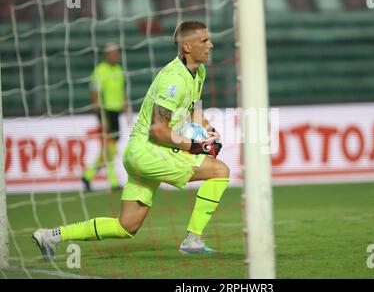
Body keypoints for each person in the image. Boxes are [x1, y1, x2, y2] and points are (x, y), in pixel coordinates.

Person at [32, 20, 229, 258]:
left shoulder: (199, 72)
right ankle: (193, 239)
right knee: (219, 171)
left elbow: (192, 108)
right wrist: (196, 146)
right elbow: (158, 130)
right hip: (149, 150)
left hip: (143, 153)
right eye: (204, 41)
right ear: (187, 47)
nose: (211, 45)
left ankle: (52, 236)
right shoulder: (173, 80)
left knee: (127, 226)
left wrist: (207, 130)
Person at [81, 42, 127, 192]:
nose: (116, 56)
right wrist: (101, 117)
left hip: (116, 112)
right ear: (107, 55)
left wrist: (125, 105)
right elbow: (95, 94)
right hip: (105, 112)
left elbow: (121, 90)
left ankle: (88, 176)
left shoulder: (119, 69)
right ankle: (112, 181)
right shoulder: (100, 70)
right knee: (110, 147)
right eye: (113, 53)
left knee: (108, 148)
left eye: (117, 53)